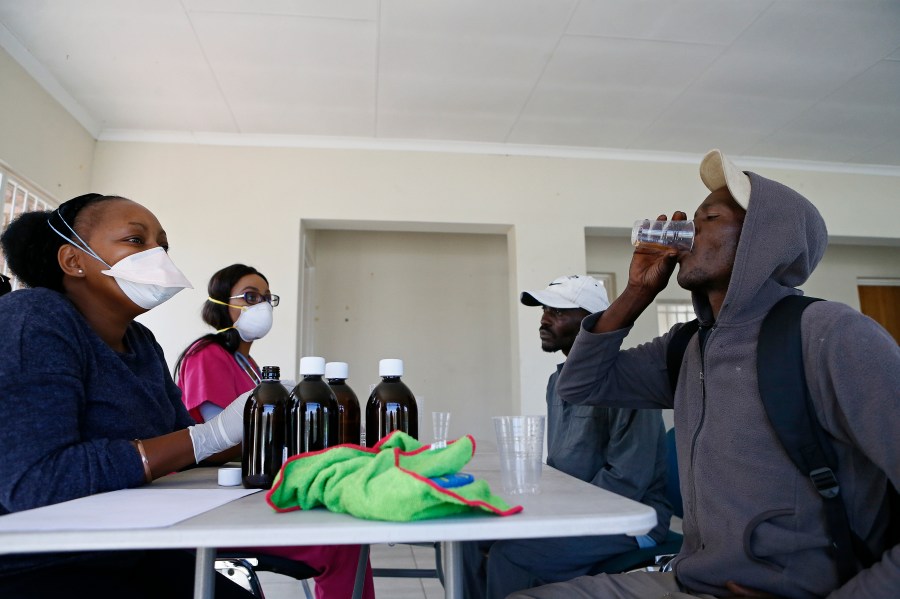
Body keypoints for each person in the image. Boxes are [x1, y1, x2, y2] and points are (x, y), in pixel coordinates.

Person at [511, 150, 900, 598]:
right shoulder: (687, 344)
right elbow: (581, 385)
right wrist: (638, 291)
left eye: (709, 217)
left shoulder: (832, 335)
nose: (686, 231)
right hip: (691, 578)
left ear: (764, 239)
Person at [0, 193, 252, 599]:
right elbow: (35, 482)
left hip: (125, 546)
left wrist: (259, 426)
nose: (157, 255)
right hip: (37, 563)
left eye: (162, 245)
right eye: (136, 241)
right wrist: (209, 436)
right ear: (73, 260)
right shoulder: (33, 318)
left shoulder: (141, 341)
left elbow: (181, 441)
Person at [462, 275, 672, 599]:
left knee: (512, 555)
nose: (544, 320)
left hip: (629, 521)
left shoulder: (627, 383)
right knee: (469, 541)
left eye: (557, 312)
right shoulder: (556, 383)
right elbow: (561, 467)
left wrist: (556, 515)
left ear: (592, 322)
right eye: (544, 310)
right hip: (573, 510)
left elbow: (628, 481)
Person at [175, 264, 375, 599]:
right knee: (341, 537)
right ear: (221, 303)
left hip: (253, 488)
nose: (262, 306)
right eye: (251, 297)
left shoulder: (250, 364)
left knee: (341, 522)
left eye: (267, 298)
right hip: (221, 497)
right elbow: (216, 442)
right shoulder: (207, 355)